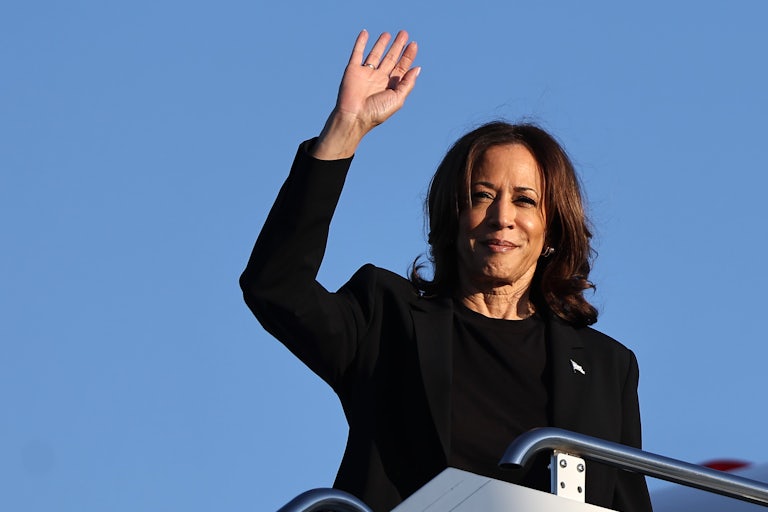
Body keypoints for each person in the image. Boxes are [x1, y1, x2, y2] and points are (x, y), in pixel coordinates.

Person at [240, 30, 652, 512]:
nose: (502, 217)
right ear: (452, 219)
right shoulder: (385, 319)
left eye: (525, 200)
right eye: (481, 196)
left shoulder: (608, 367)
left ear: (552, 229)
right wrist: (344, 130)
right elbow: (275, 286)